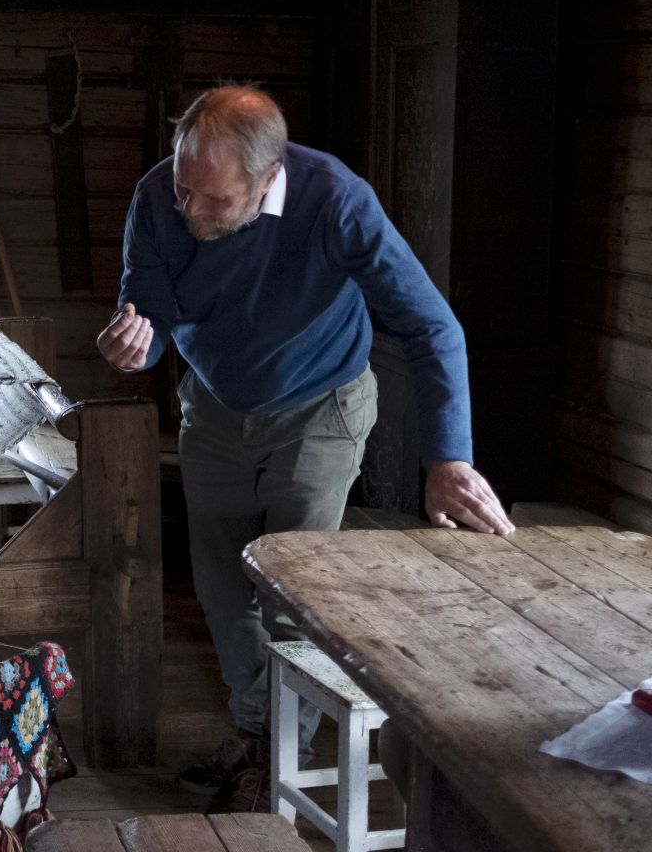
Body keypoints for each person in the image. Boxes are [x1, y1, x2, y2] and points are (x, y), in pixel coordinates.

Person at [97, 84, 513, 809]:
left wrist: (448, 457)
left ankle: (284, 757)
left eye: (213, 200)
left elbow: (432, 326)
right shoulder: (159, 196)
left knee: (291, 593)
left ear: (267, 179)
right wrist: (134, 343)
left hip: (321, 404)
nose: (190, 210)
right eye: (184, 189)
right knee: (224, 587)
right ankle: (255, 733)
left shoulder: (336, 200)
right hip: (216, 406)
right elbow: (150, 308)